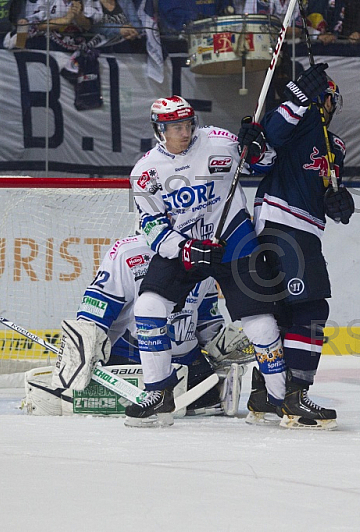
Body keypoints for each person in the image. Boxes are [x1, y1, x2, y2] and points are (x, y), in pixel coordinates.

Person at [125, 95, 293, 428]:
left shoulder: (219, 141)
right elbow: (151, 224)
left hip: (233, 239)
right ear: (159, 130)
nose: (184, 132)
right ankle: (159, 393)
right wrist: (185, 249)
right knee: (147, 308)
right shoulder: (145, 172)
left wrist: (256, 146)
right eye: (175, 127)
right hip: (184, 245)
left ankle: (277, 399)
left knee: (260, 322)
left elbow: (265, 164)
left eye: (187, 125)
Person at [240, 62, 354, 430]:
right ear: (325, 100)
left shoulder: (334, 145)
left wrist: (339, 203)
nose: (331, 109)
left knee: (285, 313)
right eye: (329, 101)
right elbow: (265, 145)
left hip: (299, 229)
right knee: (311, 307)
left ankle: (264, 393)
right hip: (282, 226)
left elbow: (325, 190)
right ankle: (295, 395)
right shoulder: (297, 121)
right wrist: (298, 101)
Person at [24, 233, 252, 417]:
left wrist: (219, 343)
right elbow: (94, 314)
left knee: (212, 398)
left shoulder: (204, 251)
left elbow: (206, 320)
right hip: (133, 364)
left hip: (187, 367)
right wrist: (82, 349)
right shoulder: (128, 252)